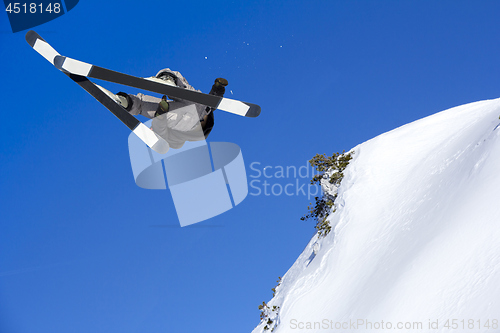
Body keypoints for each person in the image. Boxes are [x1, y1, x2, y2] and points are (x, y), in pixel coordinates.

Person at [101, 68, 228, 149]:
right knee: (150, 108)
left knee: (144, 106)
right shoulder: (174, 140)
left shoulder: (173, 136)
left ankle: (125, 102)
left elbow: (209, 105)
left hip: (195, 112)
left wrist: (216, 91)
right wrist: (218, 90)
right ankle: (168, 81)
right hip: (194, 119)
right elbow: (209, 104)